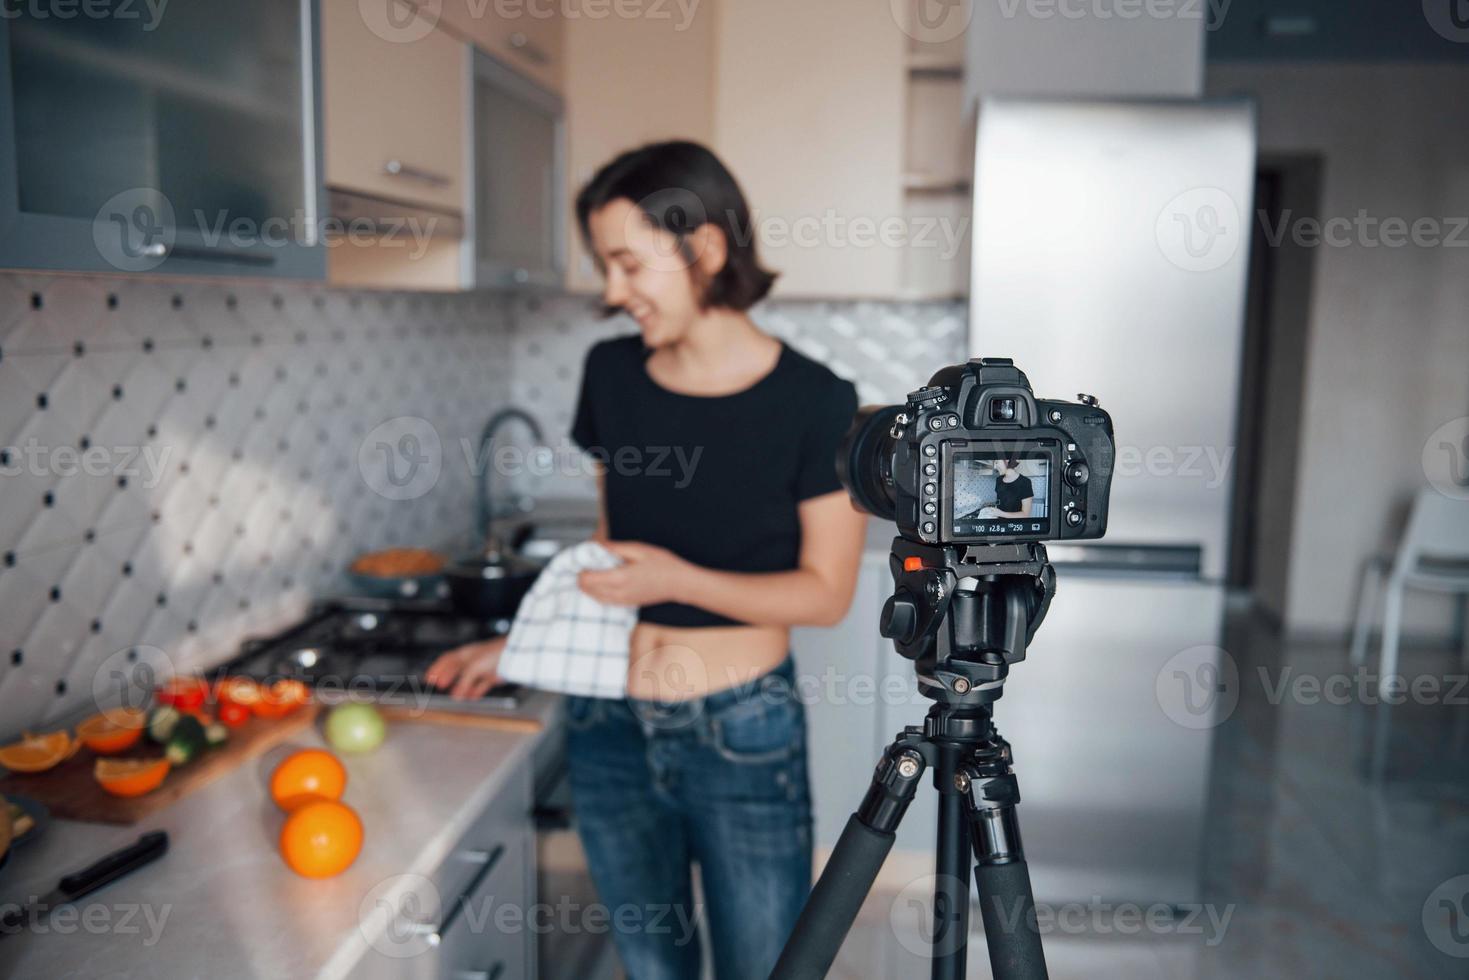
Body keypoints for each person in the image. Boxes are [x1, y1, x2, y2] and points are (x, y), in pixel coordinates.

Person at [426, 141, 866, 980]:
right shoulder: (612, 374)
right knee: (651, 968)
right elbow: (606, 557)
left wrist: (677, 582)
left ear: (702, 248)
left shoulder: (817, 402)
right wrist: (517, 645)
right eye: (605, 266)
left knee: (765, 968)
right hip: (609, 724)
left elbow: (825, 594)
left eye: (627, 263)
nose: (612, 291)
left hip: (741, 730)